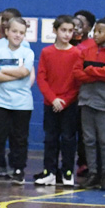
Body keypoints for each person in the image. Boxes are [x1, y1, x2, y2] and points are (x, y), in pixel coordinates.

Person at [0, 17, 35, 185]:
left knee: (19, 138)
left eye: (21, 33)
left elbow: (25, 72)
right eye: (14, 31)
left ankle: (18, 170)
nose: (18, 35)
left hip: (23, 104)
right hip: (2, 102)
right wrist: (14, 72)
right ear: (6, 32)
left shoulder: (28, 52)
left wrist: (4, 71)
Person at [73, 18, 105, 190]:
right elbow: (78, 73)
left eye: (100, 31)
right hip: (87, 101)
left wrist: (91, 71)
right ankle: (93, 173)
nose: (96, 34)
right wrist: (97, 74)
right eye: (95, 31)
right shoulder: (86, 51)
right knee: (89, 140)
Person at [34, 16, 79, 187]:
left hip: (68, 105)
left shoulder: (76, 53)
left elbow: (77, 82)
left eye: (70, 31)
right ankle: (49, 172)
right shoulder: (47, 52)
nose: (67, 34)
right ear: (55, 30)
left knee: (68, 139)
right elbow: (41, 78)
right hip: (51, 104)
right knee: (50, 139)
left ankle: (67, 172)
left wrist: (65, 101)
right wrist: (53, 99)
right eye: (63, 30)